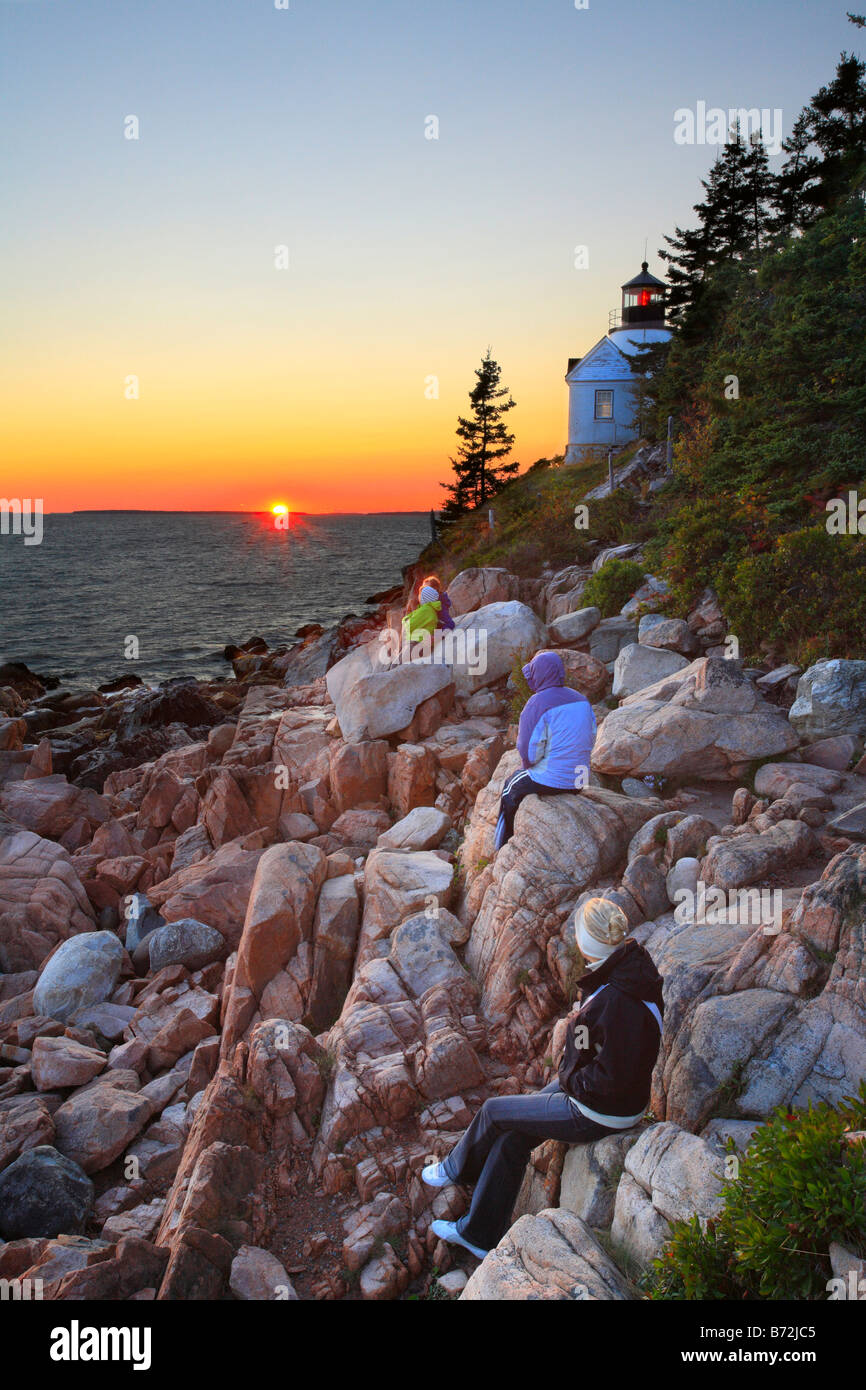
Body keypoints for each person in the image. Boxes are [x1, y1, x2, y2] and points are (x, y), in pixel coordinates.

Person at [422, 898, 665, 1258]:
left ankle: (455, 1169)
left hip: (599, 1109)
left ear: (587, 944)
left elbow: (606, 1073)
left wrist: (570, 1083)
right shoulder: (633, 967)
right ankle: (478, 1233)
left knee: (493, 1111)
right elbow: (609, 1055)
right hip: (619, 1099)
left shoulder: (612, 1000)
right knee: (514, 1137)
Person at [494, 650, 596, 851]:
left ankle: (503, 846)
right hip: (579, 780)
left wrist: (527, 767)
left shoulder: (538, 702)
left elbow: (528, 751)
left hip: (553, 781)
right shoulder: (581, 699)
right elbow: (591, 736)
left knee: (509, 787)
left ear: (539, 675)